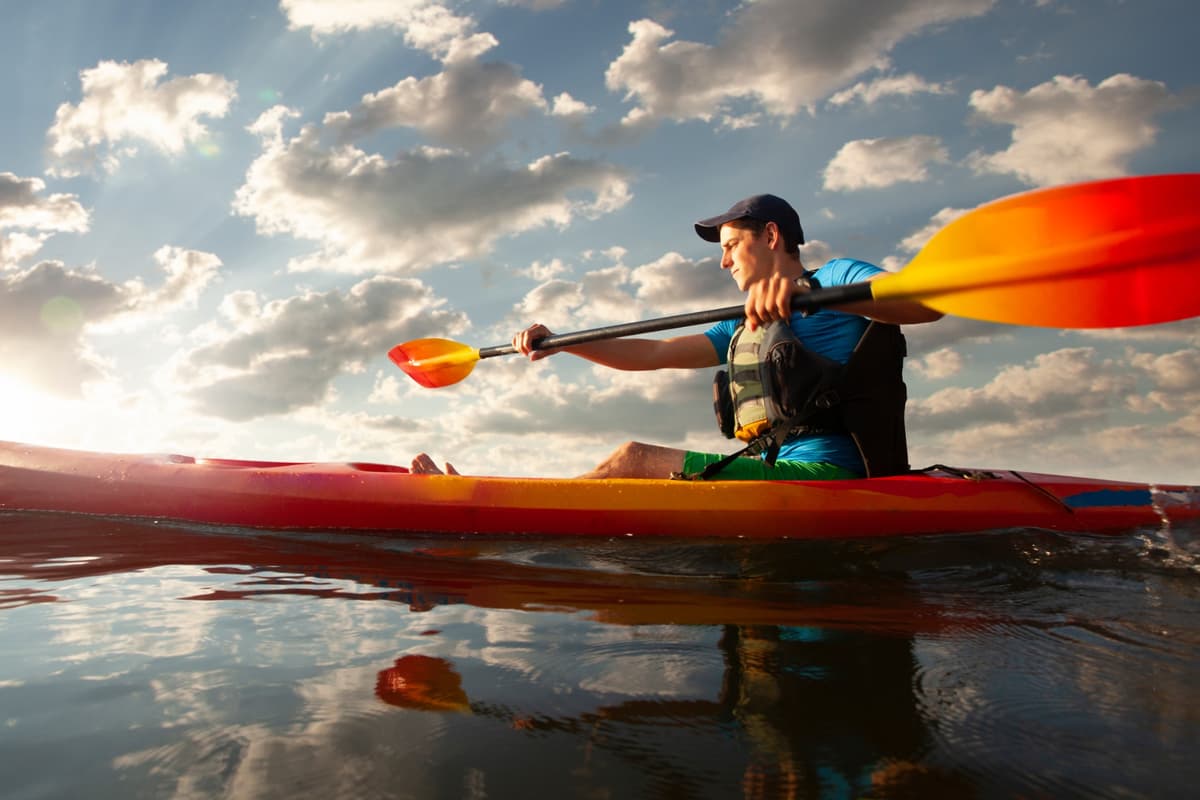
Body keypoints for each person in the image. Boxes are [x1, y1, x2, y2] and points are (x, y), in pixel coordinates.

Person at [412, 194, 942, 479]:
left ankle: (492, 508)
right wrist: (566, 342)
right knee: (630, 461)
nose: (723, 260)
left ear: (772, 237)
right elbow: (654, 353)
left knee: (633, 460)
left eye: (732, 245)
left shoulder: (837, 279)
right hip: (768, 469)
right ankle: (498, 493)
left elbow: (924, 303)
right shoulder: (745, 321)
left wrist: (802, 294)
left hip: (830, 474)